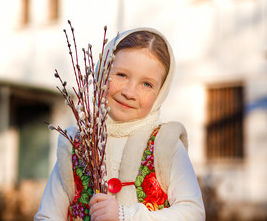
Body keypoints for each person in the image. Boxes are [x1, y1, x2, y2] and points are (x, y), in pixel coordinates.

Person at [34, 27, 205, 221]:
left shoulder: (165, 144)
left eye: (147, 84)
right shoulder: (78, 145)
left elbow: (193, 213)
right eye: (122, 75)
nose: (130, 92)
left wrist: (126, 215)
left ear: (161, 93)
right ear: (101, 73)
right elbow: (48, 216)